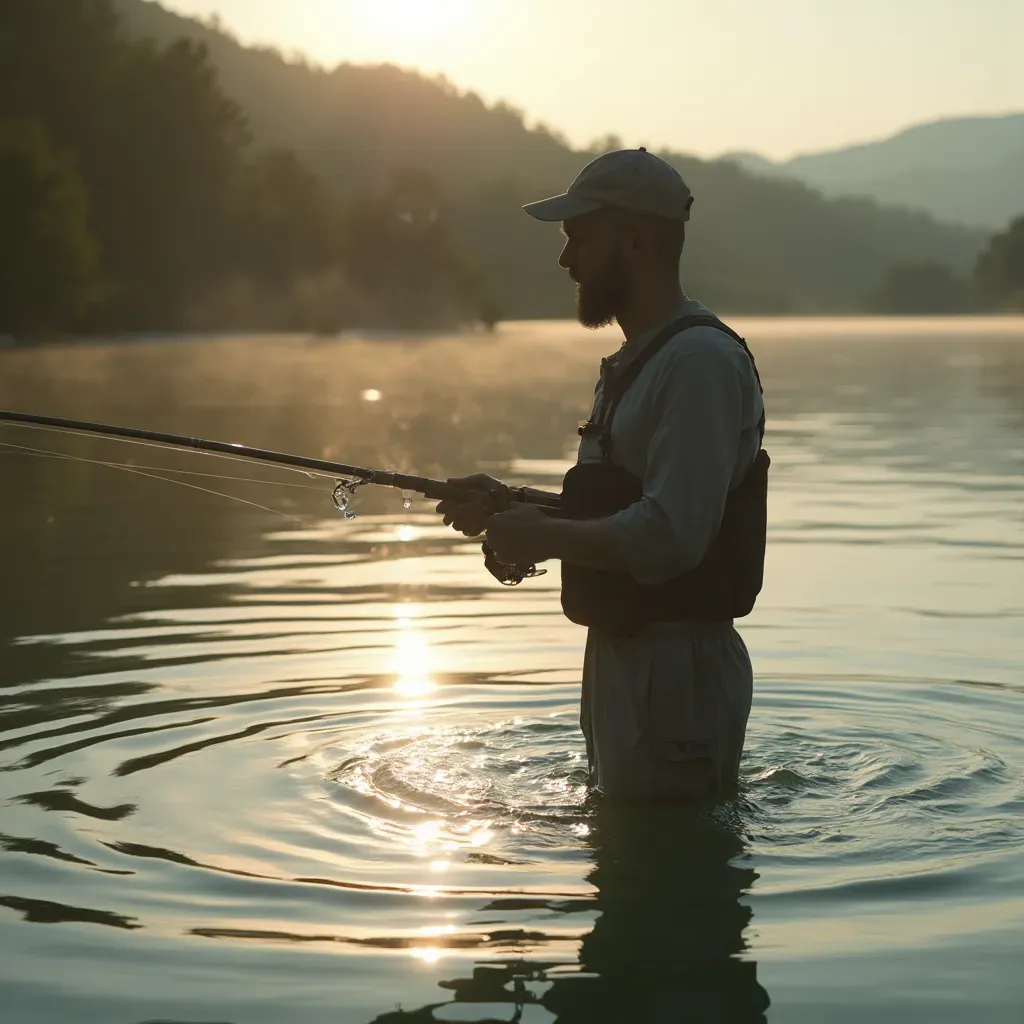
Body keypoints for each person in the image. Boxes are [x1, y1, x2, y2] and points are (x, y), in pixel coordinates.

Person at [436, 148, 767, 801]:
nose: (565, 260)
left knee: (667, 892)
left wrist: (544, 538)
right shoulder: (637, 363)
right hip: (629, 667)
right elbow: (630, 506)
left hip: (675, 677)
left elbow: (672, 533)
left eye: (580, 238)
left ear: (637, 240)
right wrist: (511, 508)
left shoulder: (698, 363)